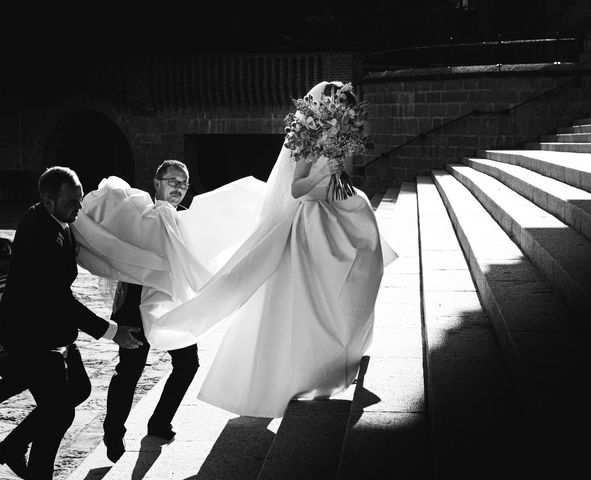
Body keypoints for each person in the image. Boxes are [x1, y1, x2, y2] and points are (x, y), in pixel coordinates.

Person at [72, 80, 397, 419]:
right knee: (315, 298)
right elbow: (298, 187)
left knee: (360, 280)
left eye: (344, 108)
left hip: (342, 212)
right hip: (310, 222)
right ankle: (116, 428)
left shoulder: (342, 139)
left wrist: (337, 179)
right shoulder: (308, 139)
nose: (339, 113)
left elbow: (340, 178)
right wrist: (324, 176)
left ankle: (349, 347)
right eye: (336, 107)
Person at [0, 166, 141, 480]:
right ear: (49, 202)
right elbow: (57, 299)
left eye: (80, 199)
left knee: (78, 388)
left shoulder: (59, 220)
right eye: (72, 203)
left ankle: (13, 446)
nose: (79, 208)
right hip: (28, 334)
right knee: (59, 411)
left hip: (50, 327)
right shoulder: (40, 232)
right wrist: (111, 331)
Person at [103, 160, 199, 463]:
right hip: (135, 304)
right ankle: (113, 430)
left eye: (184, 183)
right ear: (156, 183)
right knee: (130, 371)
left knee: (188, 364)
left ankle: (159, 421)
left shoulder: (186, 220)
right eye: (173, 181)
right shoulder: (140, 214)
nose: (179, 188)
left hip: (173, 308)